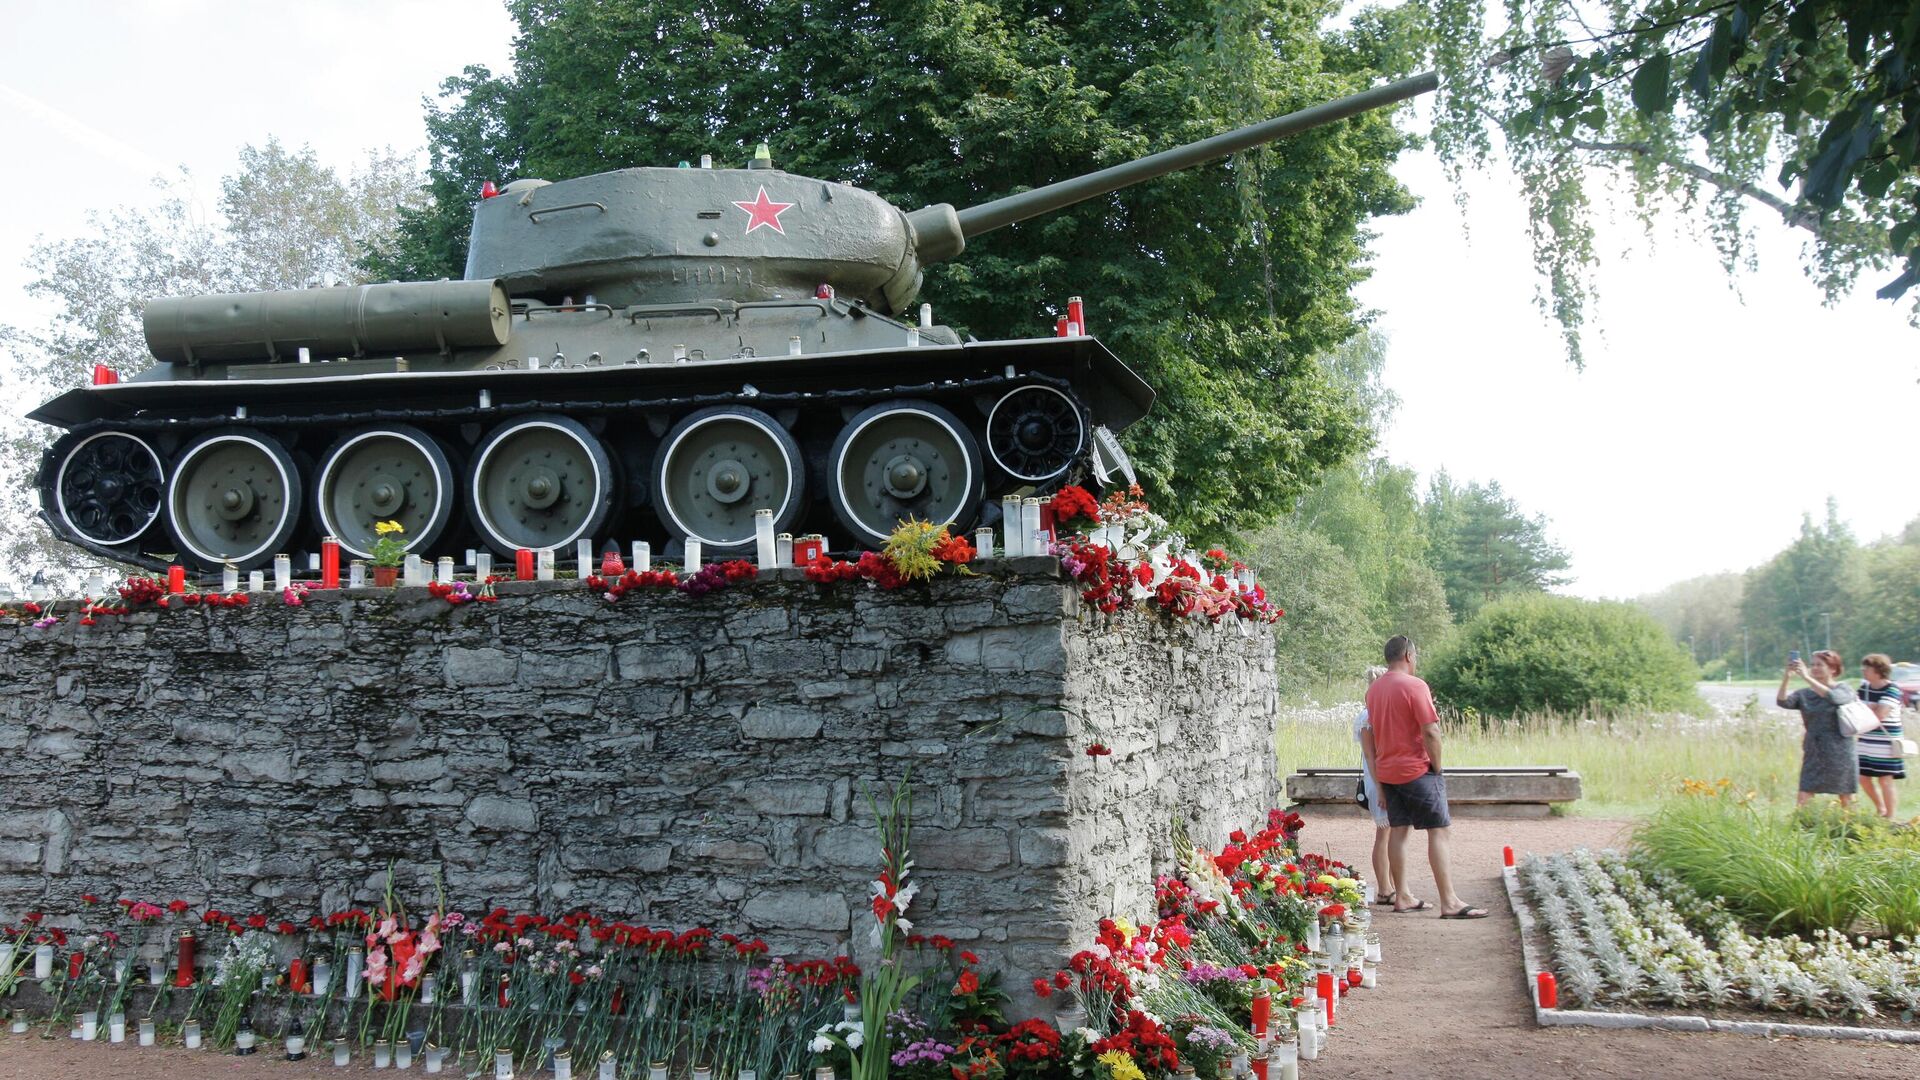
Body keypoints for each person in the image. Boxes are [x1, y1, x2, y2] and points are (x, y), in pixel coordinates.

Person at [1363, 635, 1486, 919]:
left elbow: (1371, 735)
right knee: (1439, 831)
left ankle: (1402, 895)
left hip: (1388, 772)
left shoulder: (1374, 691)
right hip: (1417, 770)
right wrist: (1438, 768)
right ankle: (1449, 901)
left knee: (1399, 831)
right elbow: (1431, 731)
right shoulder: (1415, 686)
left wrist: (1379, 780)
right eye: (1415, 657)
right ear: (1408, 655)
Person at [1776, 649, 1858, 808]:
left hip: (1839, 748)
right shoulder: (1805, 694)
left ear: (1833, 669)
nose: (1814, 668)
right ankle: (1800, 827)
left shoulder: (1843, 689)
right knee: (1805, 791)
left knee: (1846, 793)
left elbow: (1834, 698)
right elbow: (1783, 702)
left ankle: (1851, 828)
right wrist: (1787, 677)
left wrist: (1806, 677)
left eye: (1820, 665)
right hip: (1814, 748)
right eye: (1812, 664)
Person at [1352, 665, 1396, 907]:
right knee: (1384, 834)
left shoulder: (1373, 714)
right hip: (1378, 780)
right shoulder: (1369, 716)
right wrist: (1381, 788)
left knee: (1389, 834)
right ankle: (1384, 887)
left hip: (1382, 778)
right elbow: (1371, 756)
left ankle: (1389, 883)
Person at [1857, 653, 1905, 818]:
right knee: (1862, 777)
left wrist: (1868, 708)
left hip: (1885, 741)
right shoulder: (1864, 688)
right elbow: (1854, 708)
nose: (1864, 671)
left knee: (1885, 779)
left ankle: (1890, 816)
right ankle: (1880, 808)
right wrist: (1871, 707)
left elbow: (1881, 714)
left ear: (1878, 670)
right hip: (1866, 738)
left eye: (1867, 668)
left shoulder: (1892, 689)